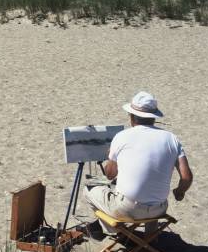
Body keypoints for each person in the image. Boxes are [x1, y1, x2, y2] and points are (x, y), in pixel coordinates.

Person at [82, 91, 193, 238]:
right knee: (151, 192)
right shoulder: (171, 138)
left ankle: (113, 230)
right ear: (154, 117)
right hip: (159, 209)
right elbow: (186, 177)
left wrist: (111, 156)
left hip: (126, 209)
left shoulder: (122, 136)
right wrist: (179, 192)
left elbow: (110, 174)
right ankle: (150, 237)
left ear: (132, 116)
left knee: (87, 190)